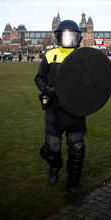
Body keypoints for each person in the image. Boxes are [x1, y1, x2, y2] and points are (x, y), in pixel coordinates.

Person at [34, 20, 85, 204]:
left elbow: (92, 82)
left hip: (75, 111)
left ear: (78, 38)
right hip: (54, 110)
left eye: (73, 36)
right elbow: (38, 78)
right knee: (52, 148)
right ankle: (55, 165)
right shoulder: (50, 55)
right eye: (65, 35)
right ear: (58, 36)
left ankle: (73, 186)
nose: (69, 39)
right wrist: (46, 88)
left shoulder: (82, 57)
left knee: (77, 147)